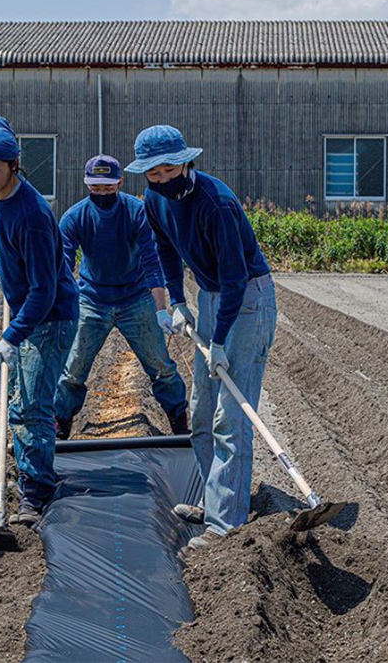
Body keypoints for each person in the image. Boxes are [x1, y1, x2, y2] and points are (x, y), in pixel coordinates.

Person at [125, 125, 277, 549]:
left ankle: (226, 522)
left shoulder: (216, 203)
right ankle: (214, 503)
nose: (161, 180)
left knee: (231, 414)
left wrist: (222, 342)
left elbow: (234, 278)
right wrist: (176, 301)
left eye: (167, 170)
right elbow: (166, 250)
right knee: (200, 410)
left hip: (246, 299)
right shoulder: (154, 199)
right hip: (210, 297)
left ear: (186, 162)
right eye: (151, 174)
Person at [0, 117, 79, 526]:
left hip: (50, 318)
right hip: (32, 314)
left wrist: (13, 335)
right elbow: (3, 242)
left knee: (31, 406)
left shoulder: (31, 214)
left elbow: (45, 290)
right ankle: (30, 480)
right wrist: (3, 269)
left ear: (14, 164)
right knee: (19, 402)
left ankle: (35, 495)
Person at [54, 154, 189, 439]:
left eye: (108, 187)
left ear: (120, 183)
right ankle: (60, 425)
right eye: (96, 188)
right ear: (86, 184)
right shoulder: (75, 217)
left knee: (161, 367)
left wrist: (161, 309)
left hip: (135, 299)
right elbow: (63, 266)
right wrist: (57, 307)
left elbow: (153, 262)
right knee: (73, 370)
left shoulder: (136, 212)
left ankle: (179, 423)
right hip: (92, 299)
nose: (102, 193)